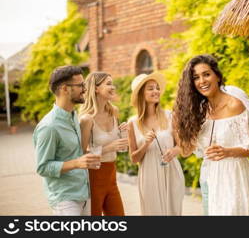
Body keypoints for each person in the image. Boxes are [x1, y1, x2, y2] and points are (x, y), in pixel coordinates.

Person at [172, 54, 249, 215]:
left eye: (206, 74)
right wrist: (178, 121)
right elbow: (186, 151)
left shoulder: (234, 105)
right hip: (210, 180)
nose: (202, 81)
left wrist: (228, 151)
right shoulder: (200, 111)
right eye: (196, 77)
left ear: (217, 76)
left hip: (235, 179)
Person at [33, 65, 101, 215]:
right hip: (65, 200)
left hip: (83, 193)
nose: (85, 89)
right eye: (80, 85)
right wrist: (77, 163)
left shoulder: (73, 116)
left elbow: (72, 152)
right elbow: (42, 167)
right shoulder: (49, 127)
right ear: (65, 89)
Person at [127, 72, 185, 215]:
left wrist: (174, 151)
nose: (156, 91)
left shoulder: (170, 116)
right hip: (149, 176)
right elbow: (134, 159)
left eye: (157, 88)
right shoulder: (132, 123)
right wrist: (146, 144)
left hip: (171, 172)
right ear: (141, 94)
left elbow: (182, 145)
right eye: (151, 88)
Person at [79, 72, 129, 216]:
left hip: (111, 176)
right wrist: (109, 148)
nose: (113, 87)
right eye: (108, 83)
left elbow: (123, 148)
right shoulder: (86, 119)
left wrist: (124, 133)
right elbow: (80, 155)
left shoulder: (114, 112)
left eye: (112, 83)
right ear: (95, 88)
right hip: (94, 178)